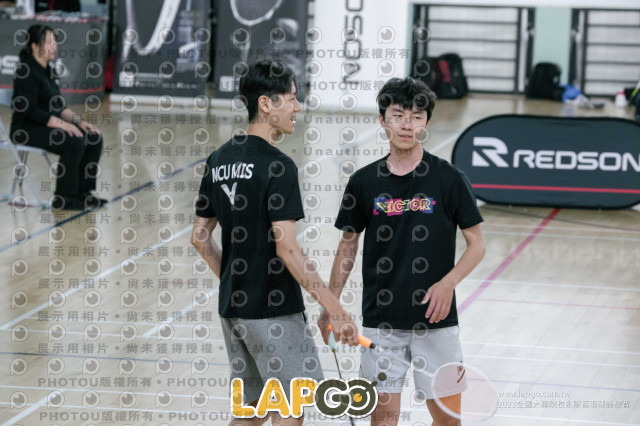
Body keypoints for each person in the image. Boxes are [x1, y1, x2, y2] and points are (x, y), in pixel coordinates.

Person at [191, 59, 359, 426]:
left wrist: (235, 282)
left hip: (233, 306)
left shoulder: (217, 160)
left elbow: (199, 237)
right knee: (288, 410)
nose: (298, 107)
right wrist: (334, 308)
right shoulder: (278, 166)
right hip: (273, 309)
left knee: (253, 411)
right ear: (266, 104)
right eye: (292, 98)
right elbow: (288, 250)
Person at [318, 77, 486, 426]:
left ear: (426, 122)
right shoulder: (364, 182)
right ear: (382, 120)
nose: (407, 125)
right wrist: (331, 306)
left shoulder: (450, 179)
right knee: (383, 420)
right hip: (381, 323)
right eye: (398, 115)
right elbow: (348, 244)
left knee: (450, 421)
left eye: (416, 116)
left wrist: (448, 283)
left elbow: (477, 245)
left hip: (437, 321)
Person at [11, 24, 105, 210]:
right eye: (49, 42)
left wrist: (79, 122)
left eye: (55, 42)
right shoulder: (25, 71)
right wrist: (62, 125)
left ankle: (83, 192)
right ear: (35, 46)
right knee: (73, 141)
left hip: (46, 125)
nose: (54, 46)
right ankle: (64, 198)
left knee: (93, 137)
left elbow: (58, 107)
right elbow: (29, 111)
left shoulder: (49, 70)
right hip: (26, 129)